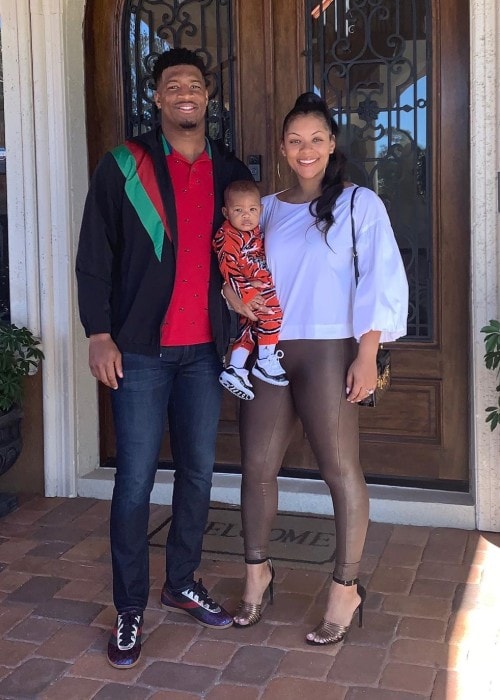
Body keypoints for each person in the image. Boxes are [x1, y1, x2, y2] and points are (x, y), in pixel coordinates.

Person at [76, 47, 253, 669]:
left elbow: (245, 251)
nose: (184, 92)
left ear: (208, 98)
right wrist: (98, 332)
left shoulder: (230, 171)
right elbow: (94, 253)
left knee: (200, 475)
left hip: (204, 353)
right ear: (155, 98)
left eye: (195, 84)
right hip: (142, 354)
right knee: (134, 483)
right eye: (172, 84)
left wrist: (243, 306)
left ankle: (180, 581)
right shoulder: (127, 165)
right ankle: (129, 608)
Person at [226, 93, 408, 644]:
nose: (307, 150)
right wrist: (235, 300)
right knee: (256, 466)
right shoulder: (266, 207)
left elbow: (381, 278)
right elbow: (237, 265)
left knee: (338, 469)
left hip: (331, 350)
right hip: (269, 350)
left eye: (317, 139)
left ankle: (345, 587)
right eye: (296, 140)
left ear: (332, 146)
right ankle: (257, 575)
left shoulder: (358, 204)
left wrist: (368, 354)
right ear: (283, 148)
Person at [214, 179, 288, 400]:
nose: (246, 215)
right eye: (239, 210)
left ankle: (235, 369)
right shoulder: (228, 236)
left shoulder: (254, 230)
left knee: (248, 330)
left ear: (261, 210)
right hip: (250, 290)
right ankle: (265, 361)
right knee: (272, 313)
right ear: (226, 212)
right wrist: (246, 293)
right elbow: (228, 267)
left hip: (255, 285)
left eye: (252, 210)